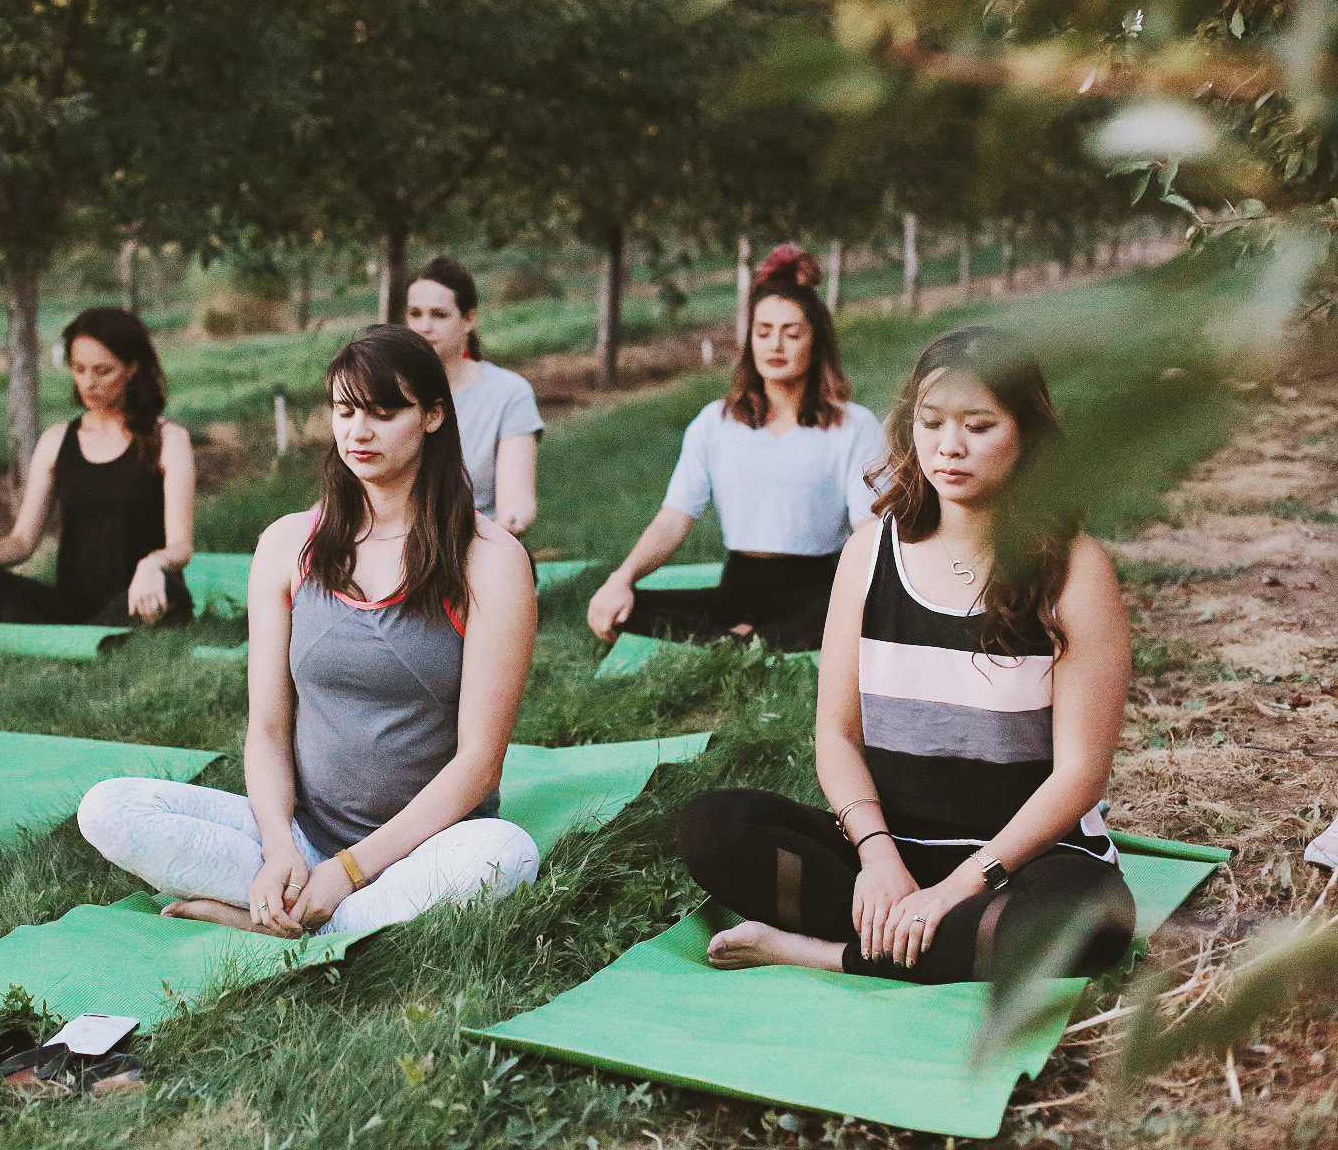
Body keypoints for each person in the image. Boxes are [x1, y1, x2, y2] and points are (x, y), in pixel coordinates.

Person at [676, 326, 1137, 984]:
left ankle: (825, 952)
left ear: (1027, 436)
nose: (950, 446)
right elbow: (837, 735)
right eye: (932, 421)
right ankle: (917, 934)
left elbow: (1080, 775)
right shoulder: (869, 553)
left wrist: (957, 889)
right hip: (893, 851)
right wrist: (877, 857)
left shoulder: (1075, 570)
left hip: (1022, 863)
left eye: (979, 426)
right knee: (714, 826)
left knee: (1089, 920)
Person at [77, 325, 541, 936]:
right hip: (303, 836)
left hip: (428, 845)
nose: (358, 432)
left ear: (432, 416)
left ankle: (278, 917)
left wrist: (349, 871)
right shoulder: (288, 543)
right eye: (345, 411)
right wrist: (278, 849)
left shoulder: (490, 559)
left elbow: (479, 765)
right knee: (108, 808)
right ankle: (314, 908)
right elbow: (268, 729)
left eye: (383, 413)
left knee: (507, 855)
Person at [587, 245, 884, 652]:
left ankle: (741, 641)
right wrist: (620, 580)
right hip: (737, 588)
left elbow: (868, 528)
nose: (775, 345)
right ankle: (749, 639)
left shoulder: (853, 425)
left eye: (791, 333)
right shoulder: (715, 422)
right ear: (750, 341)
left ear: (816, 343)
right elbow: (674, 519)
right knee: (624, 609)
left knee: (861, 611)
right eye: (763, 332)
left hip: (815, 590)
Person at [0, 307, 194, 626]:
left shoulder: (169, 439)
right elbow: (22, 542)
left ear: (132, 368)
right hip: (70, 605)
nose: (89, 382)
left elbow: (181, 547)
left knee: (168, 589)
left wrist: (153, 564)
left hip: (140, 595)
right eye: (79, 369)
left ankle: (91, 635)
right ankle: (87, 634)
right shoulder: (56, 441)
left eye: (103, 371)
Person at [404, 258, 542, 534]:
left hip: (476, 538)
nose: (424, 326)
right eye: (415, 314)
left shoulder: (508, 392)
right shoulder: (386, 388)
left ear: (469, 319)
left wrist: (511, 520)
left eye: (439, 315)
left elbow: (516, 499)